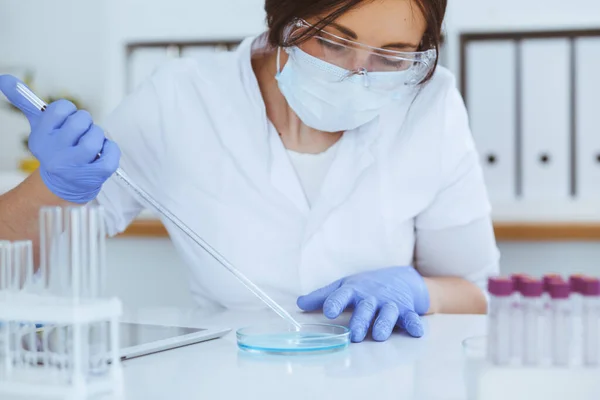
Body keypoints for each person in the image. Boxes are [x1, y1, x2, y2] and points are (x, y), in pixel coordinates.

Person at [0, 0, 499, 343]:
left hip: (386, 378)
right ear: (284, 18)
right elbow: (14, 260)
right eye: (333, 43)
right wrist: (52, 187)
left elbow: (477, 293)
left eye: (392, 57)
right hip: (229, 376)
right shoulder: (181, 100)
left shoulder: (430, 105)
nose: (359, 75)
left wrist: (418, 290)